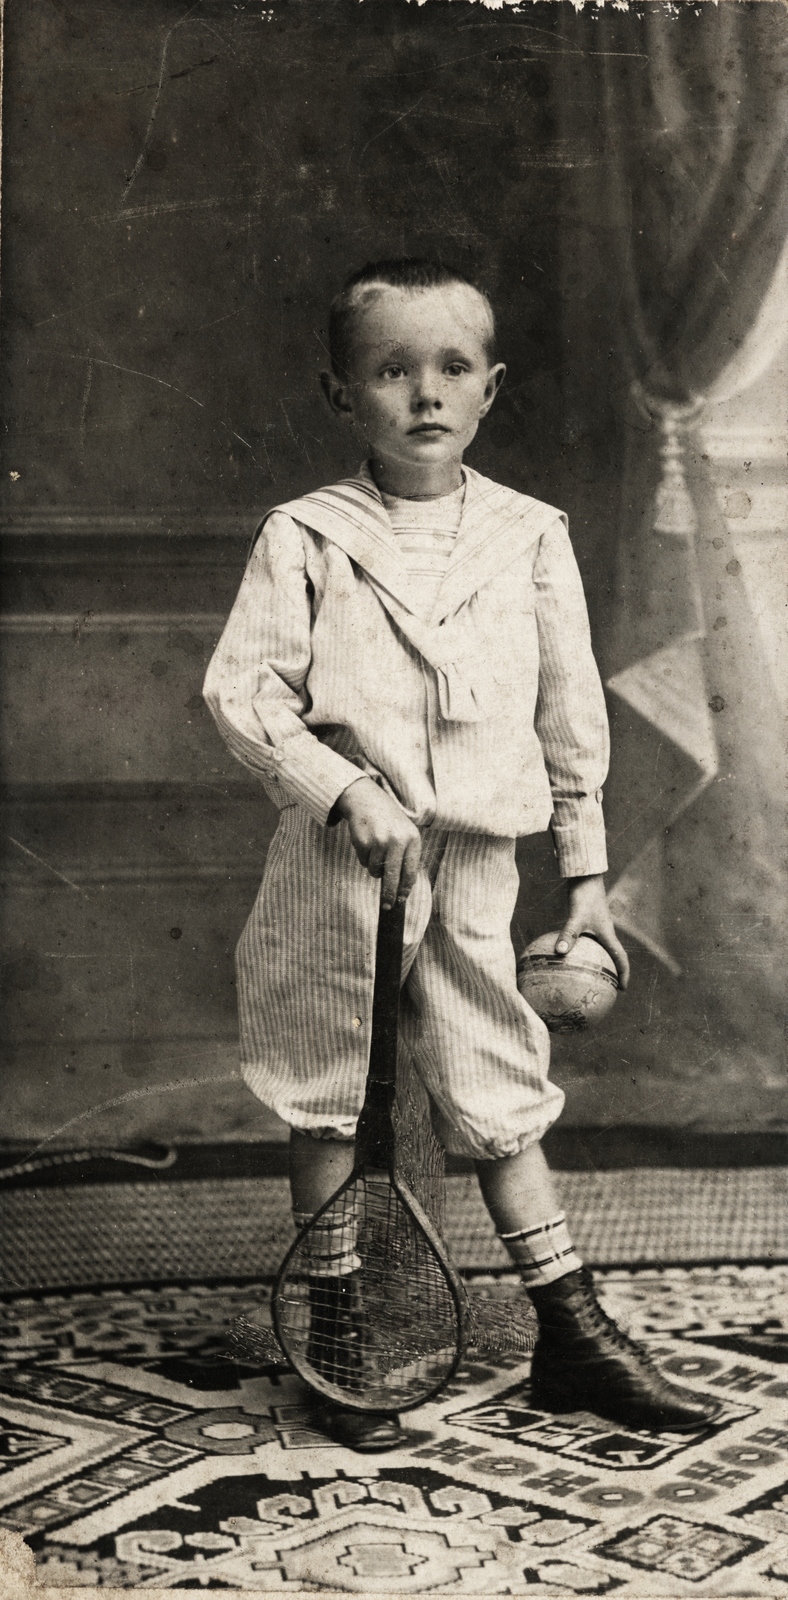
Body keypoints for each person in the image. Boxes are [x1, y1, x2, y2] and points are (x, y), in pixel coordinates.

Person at [204, 258, 720, 1452]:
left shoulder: (527, 535)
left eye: (450, 368)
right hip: (336, 867)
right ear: (341, 394)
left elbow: (568, 714)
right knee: (330, 1091)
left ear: (490, 386)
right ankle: (342, 1338)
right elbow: (244, 698)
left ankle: (571, 1334)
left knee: (497, 1088)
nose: (424, 393)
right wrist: (345, 791)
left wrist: (582, 880)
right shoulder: (305, 536)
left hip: (475, 861)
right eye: (391, 370)